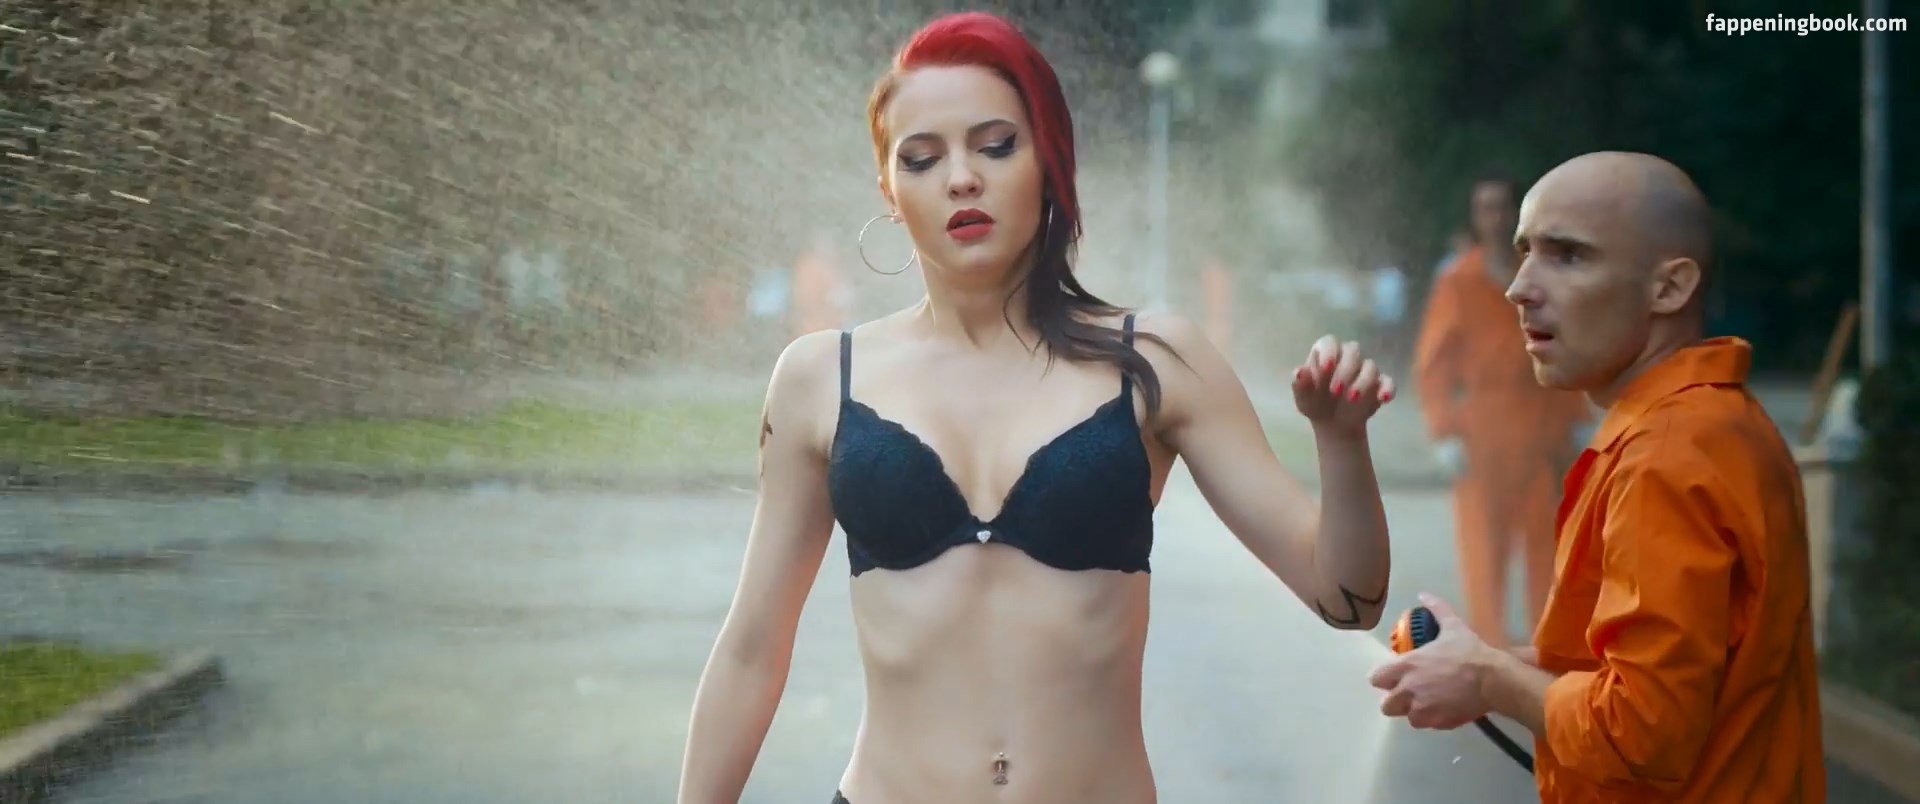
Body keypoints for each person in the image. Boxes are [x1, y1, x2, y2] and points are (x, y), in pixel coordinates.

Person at [678, 12, 1398, 804]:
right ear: (889, 191)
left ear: (1049, 161)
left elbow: (1347, 597)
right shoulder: (822, 377)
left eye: (995, 146)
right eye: (921, 158)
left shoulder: (1155, 361)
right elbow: (751, 650)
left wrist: (1341, 443)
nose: (961, 178)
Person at [1369, 151, 1825, 801]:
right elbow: (1631, 666)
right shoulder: (1716, 421)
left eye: (1568, 256)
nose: (1520, 288)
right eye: (1525, 252)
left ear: (1669, 288)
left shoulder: (1666, 458)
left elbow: (1642, 729)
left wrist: (1490, 680)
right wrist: (1482, 664)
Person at [1411, 176, 1592, 649]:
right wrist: (1443, 431)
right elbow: (1434, 364)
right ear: (1475, 216)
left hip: (1539, 424)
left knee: (1547, 545)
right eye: (1484, 208)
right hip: (1483, 429)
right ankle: (1489, 647)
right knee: (1483, 548)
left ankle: (1548, 648)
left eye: (1501, 207)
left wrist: (1575, 416)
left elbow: (1563, 345)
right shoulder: (1458, 281)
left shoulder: (1538, 276)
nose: (1493, 217)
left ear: (1516, 213)